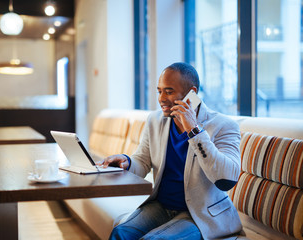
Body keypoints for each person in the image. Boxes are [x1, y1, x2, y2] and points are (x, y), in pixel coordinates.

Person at [99, 62, 243, 240]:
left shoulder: (223, 125)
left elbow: (226, 179)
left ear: (192, 93)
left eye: (169, 91)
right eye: (159, 91)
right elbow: (142, 161)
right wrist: (126, 162)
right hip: (161, 206)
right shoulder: (155, 120)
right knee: (120, 233)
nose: (161, 98)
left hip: (200, 215)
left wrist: (194, 130)